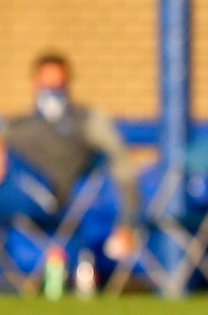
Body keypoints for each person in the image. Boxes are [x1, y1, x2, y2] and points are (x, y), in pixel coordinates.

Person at [0, 53, 138, 262]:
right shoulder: (20, 125)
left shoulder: (85, 121)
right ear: (35, 83)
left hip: (52, 198)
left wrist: (127, 221)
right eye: (46, 83)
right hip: (15, 189)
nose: (51, 90)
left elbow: (121, 162)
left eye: (58, 83)